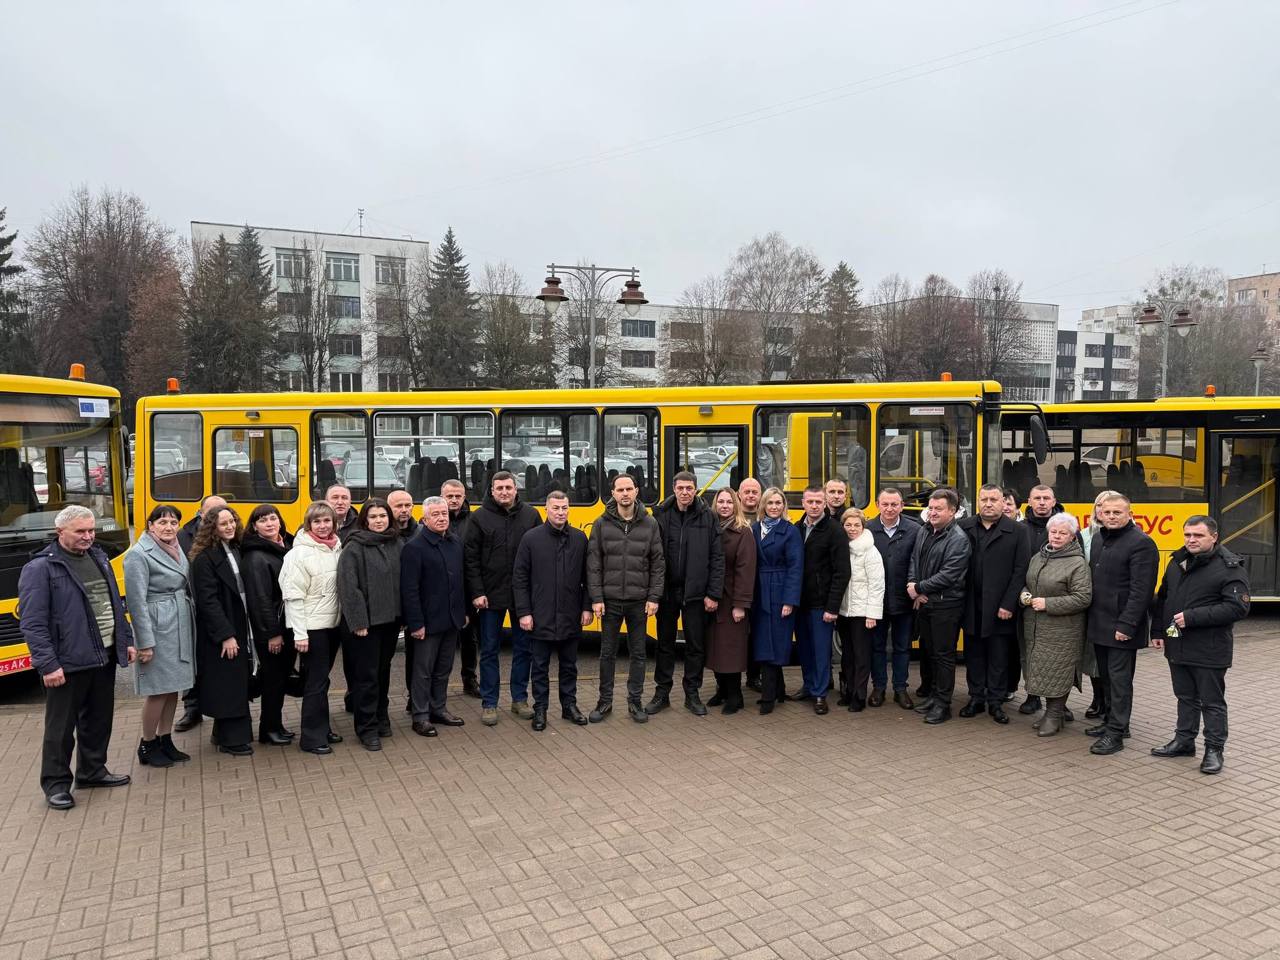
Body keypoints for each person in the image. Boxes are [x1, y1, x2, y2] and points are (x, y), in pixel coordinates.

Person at [20, 505, 136, 810]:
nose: (88, 536)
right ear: (61, 532)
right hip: (67, 662)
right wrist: (48, 664)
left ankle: (92, 771)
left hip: (105, 654)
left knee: (99, 720)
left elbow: (113, 601)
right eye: (80, 531)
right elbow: (33, 623)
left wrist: (126, 641)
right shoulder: (41, 568)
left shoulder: (99, 557)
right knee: (60, 728)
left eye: (91, 530)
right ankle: (56, 784)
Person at [1149, 516, 1249, 775]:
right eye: (1188, 535)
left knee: (1211, 702)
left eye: (1198, 535)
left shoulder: (1230, 568)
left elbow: (1238, 607)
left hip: (1210, 649)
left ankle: (1214, 750)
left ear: (1214, 537)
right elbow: (1163, 599)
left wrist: (1192, 617)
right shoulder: (1176, 562)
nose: (1191, 540)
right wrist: (1158, 630)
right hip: (1177, 645)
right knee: (1185, 697)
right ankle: (1184, 742)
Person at [586, 472, 664, 724]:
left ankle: (635, 701)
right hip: (608, 602)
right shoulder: (601, 523)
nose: (625, 494)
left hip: (639, 601)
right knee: (607, 654)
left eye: (629, 489)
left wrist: (654, 597)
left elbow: (658, 564)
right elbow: (593, 564)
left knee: (638, 654)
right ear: (613, 494)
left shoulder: (650, 524)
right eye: (620, 490)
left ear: (636, 491)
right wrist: (596, 598)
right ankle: (605, 701)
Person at [512, 489, 593, 731]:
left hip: (570, 615)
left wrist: (586, 608)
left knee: (569, 666)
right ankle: (541, 709)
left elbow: (588, 578)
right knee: (539, 667)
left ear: (569, 509)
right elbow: (520, 578)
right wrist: (524, 612)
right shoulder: (531, 539)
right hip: (540, 615)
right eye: (555, 508)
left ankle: (569, 706)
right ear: (546, 510)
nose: (560, 512)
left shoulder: (580, 539)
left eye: (564, 508)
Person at [464, 471, 541, 726]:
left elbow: (539, 558)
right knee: (488, 651)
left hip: (522, 596)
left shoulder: (531, 515)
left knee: (523, 649)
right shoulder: (479, 517)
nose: (504, 492)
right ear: (492, 491)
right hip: (489, 596)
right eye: (499, 488)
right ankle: (489, 703)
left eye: (509, 487)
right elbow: (471, 558)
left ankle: (519, 699)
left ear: (516, 489)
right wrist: (477, 592)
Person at [1085, 492, 1159, 756]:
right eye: (1107, 512)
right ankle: (1112, 722)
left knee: (1119, 681)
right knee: (1105, 677)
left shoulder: (1142, 543)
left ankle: (1116, 734)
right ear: (1099, 514)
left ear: (1130, 514)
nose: (1112, 517)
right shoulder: (1097, 539)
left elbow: (1142, 591)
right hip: (1100, 623)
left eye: (1118, 512)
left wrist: (1127, 625)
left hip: (1122, 627)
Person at [123, 504, 196, 769]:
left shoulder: (176, 547)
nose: (168, 527)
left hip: (178, 621)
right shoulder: (138, 555)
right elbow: (136, 602)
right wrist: (144, 643)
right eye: (162, 522)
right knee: (157, 690)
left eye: (173, 522)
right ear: (150, 525)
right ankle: (147, 742)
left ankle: (165, 739)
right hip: (157, 624)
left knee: (174, 685)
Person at [650, 471, 724, 717]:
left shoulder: (708, 517)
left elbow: (717, 558)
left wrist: (713, 593)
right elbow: (652, 556)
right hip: (667, 592)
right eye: (680, 488)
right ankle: (662, 693)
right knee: (664, 645)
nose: (684, 492)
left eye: (689, 488)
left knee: (695, 646)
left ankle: (692, 693)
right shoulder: (660, 515)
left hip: (696, 594)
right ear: (673, 488)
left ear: (695, 490)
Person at [958, 484, 1031, 725]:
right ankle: (976, 698)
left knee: (999, 657)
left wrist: (1009, 603)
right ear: (978, 501)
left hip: (1001, 607)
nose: (988, 504)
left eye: (994, 499)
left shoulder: (1018, 531)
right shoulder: (964, 527)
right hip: (971, 604)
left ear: (1004, 502)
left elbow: (1021, 570)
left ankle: (996, 702)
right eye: (984, 499)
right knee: (974, 654)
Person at [338, 498, 405, 751]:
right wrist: (357, 622)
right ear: (364, 520)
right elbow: (348, 588)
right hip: (365, 624)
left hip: (390, 621)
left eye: (383, 516)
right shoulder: (354, 548)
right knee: (366, 677)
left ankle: (381, 717)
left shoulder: (396, 543)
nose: (379, 520)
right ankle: (366, 728)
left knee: (383, 672)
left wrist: (404, 618)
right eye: (373, 517)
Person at [189, 507, 255, 756]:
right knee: (228, 685)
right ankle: (232, 740)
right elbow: (208, 601)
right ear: (211, 528)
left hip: (238, 625)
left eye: (232, 522)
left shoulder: (235, 549)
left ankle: (222, 733)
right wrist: (226, 635)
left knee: (234, 682)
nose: (229, 526)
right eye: (223, 523)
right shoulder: (205, 558)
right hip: (222, 632)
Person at [279, 502, 344, 755]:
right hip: (313, 628)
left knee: (322, 681)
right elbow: (293, 597)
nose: (323, 526)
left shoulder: (336, 548)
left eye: (327, 521)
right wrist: (300, 633)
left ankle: (323, 728)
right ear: (308, 525)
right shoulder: (298, 554)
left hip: (332, 625)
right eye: (317, 522)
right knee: (315, 683)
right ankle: (311, 737)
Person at [1020, 513, 1092, 737]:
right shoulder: (1038, 557)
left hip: (1064, 630)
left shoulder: (1077, 563)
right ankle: (1053, 714)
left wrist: (1048, 604)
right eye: (1054, 532)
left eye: (1063, 533)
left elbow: (1083, 597)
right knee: (1041, 671)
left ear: (1072, 537)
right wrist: (1024, 595)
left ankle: (1054, 714)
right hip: (1036, 627)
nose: (1057, 536)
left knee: (1059, 672)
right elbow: (1027, 583)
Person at [401, 496, 467, 738]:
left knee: (443, 669)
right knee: (423, 671)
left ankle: (438, 708)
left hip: (451, 619)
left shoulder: (454, 542)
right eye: (436, 515)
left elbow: (460, 581)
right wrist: (416, 624)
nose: (441, 518)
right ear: (425, 518)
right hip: (427, 623)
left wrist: (464, 613)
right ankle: (420, 715)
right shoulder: (414, 547)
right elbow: (409, 590)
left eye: (444, 514)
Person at [907, 487, 972, 725]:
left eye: (938, 509)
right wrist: (914, 584)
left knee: (944, 656)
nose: (932, 513)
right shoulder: (925, 531)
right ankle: (934, 697)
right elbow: (915, 559)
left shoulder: (958, 539)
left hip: (947, 606)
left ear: (953, 511)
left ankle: (943, 705)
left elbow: (949, 575)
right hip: (926, 603)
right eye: (930, 508)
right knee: (930, 653)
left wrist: (919, 588)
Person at [239, 504, 296, 746]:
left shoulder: (284, 547)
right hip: (273, 630)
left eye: (273, 518)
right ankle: (268, 729)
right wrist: (272, 634)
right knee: (273, 680)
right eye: (263, 521)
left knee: (280, 679)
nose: (270, 523)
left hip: (287, 624)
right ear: (254, 526)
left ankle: (276, 725)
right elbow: (260, 599)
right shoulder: (255, 556)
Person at [793, 486, 850, 715]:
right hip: (800, 602)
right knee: (804, 649)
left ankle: (820, 694)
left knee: (821, 651)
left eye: (818, 501)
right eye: (810, 501)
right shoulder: (796, 528)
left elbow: (842, 572)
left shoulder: (835, 531)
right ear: (803, 503)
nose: (814, 506)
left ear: (825, 503)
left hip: (822, 604)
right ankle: (808, 685)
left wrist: (832, 607)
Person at [174, 494, 227, 732]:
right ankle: (192, 708)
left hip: (217, 607)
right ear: (200, 512)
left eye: (221, 511)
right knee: (192, 657)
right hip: (190, 607)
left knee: (216, 661)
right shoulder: (182, 537)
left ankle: (218, 708)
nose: (216, 517)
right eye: (211, 512)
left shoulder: (230, 533)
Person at [866, 487, 921, 709]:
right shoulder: (867, 529)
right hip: (875, 601)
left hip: (904, 599)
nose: (890, 509)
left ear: (901, 505)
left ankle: (900, 689)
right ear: (878, 505)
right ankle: (878, 688)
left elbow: (917, 561)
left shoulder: (915, 530)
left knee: (902, 647)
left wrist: (916, 587)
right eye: (885, 504)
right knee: (876, 647)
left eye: (895, 504)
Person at [751, 487, 803, 714]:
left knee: (774, 643)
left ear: (784, 506)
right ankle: (778, 690)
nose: (774, 507)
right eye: (770, 503)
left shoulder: (790, 531)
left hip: (779, 590)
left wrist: (789, 600)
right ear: (763, 505)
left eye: (778, 503)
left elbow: (795, 568)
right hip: (758, 591)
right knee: (763, 639)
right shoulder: (754, 529)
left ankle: (768, 696)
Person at [1015, 483, 1065, 715]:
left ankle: (1057, 704)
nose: (1042, 502)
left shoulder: (1065, 527)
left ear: (1054, 501)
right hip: (1026, 601)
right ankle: (1032, 695)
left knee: (1057, 655)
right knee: (1029, 651)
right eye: (1038, 498)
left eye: (1047, 498)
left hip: (1056, 603)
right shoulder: (1019, 529)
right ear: (1029, 501)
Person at [706, 488, 756, 715]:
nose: (724, 506)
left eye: (729, 502)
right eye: (720, 502)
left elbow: (746, 571)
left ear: (735, 505)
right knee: (714, 649)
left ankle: (735, 695)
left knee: (731, 650)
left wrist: (740, 604)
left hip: (731, 598)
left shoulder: (743, 532)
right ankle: (723, 690)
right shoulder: (709, 528)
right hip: (711, 597)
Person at [837, 508, 884, 712]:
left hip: (863, 613)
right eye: (848, 525)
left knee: (861, 656)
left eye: (857, 525)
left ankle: (859, 695)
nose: (852, 529)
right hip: (844, 611)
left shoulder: (870, 551)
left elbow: (877, 584)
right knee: (847, 655)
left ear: (863, 526)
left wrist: (872, 614)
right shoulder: (841, 548)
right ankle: (848, 691)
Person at [1078, 490, 1120, 722]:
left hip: (1109, 608)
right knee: (1091, 656)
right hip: (1088, 603)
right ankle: (1098, 698)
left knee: (1110, 661)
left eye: (1111, 508)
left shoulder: (1129, 537)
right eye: (1100, 506)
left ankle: (1111, 705)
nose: (1104, 512)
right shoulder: (1084, 535)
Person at [442, 478, 480, 699]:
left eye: (458, 496)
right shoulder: (430, 518)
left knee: (469, 639)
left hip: (466, 590)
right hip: (441, 591)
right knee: (441, 642)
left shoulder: (474, 521)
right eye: (450, 496)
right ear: (442, 496)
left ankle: (470, 679)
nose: (454, 500)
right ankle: (438, 685)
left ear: (464, 497)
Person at [737, 478, 764, 692]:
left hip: (761, 585)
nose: (751, 495)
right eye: (747, 491)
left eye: (755, 492)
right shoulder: (732, 518)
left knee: (757, 632)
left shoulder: (766, 518)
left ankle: (754, 676)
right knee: (736, 634)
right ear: (739, 494)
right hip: (737, 585)